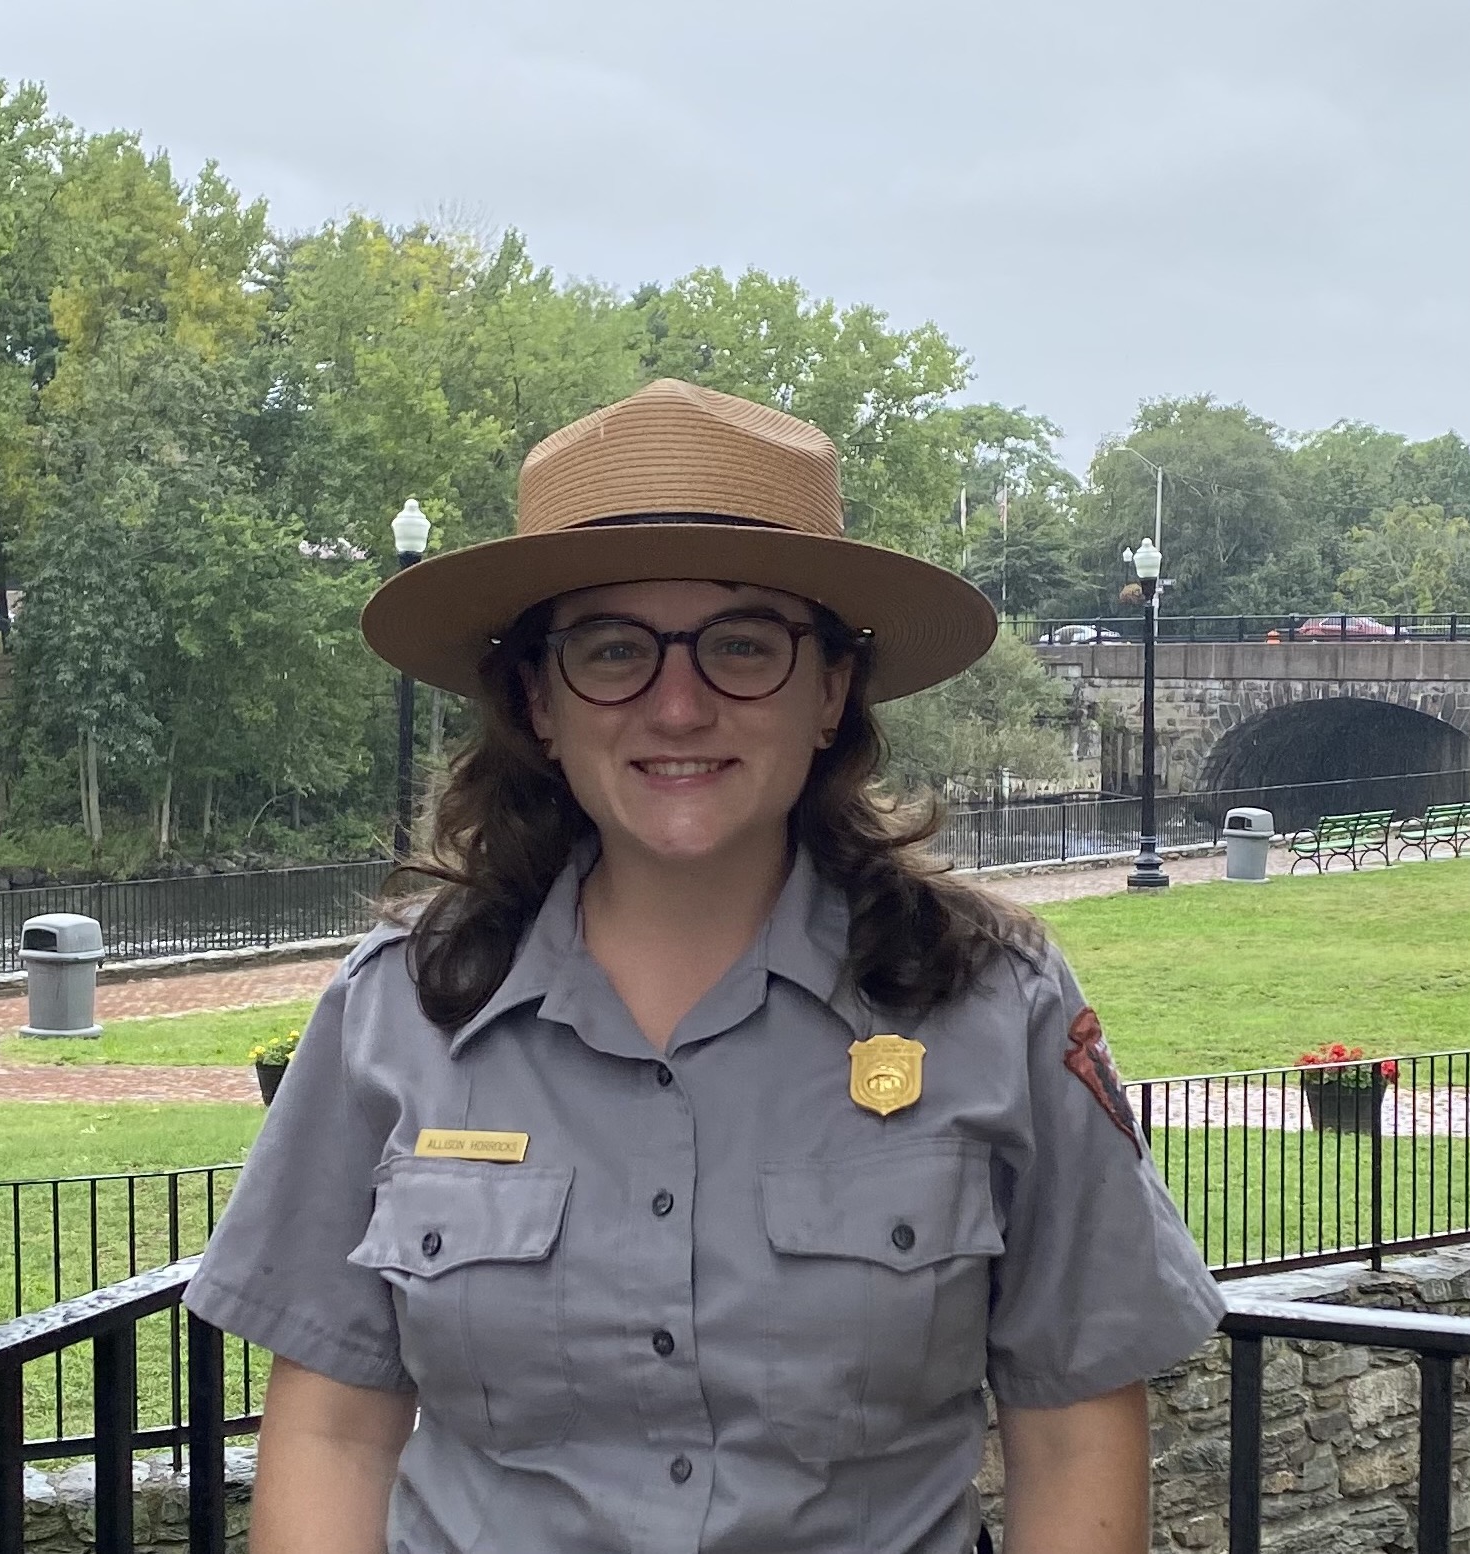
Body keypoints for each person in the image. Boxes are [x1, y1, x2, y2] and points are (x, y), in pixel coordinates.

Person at [183, 378, 1225, 1554]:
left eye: (743, 644)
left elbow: (1073, 1425)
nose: (677, 705)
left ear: (832, 688)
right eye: (612, 647)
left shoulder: (995, 1003)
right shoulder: (400, 1013)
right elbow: (334, 1432)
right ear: (538, 698)